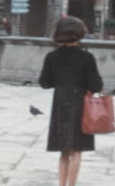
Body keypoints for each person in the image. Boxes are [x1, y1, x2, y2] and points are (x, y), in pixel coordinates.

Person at [39, 17, 103, 186]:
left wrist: (60, 81)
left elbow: (44, 83)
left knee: (63, 150)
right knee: (77, 150)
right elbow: (96, 85)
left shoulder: (52, 56)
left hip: (60, 102)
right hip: (80, 103)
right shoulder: (87, 57)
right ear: (79, 33)